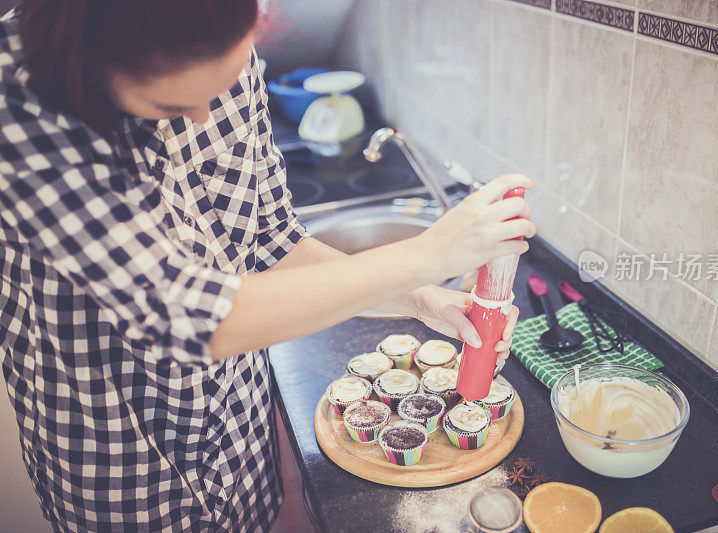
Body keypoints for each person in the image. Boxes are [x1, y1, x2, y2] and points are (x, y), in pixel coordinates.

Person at [0, 0, 535, 530]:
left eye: (219, 86)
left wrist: (419, 295)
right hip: (124, 472)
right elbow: (184, 317)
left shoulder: (229, 54)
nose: (200, 116)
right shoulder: (19, 103)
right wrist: (429, 254)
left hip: (238, 441)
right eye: (167, 103)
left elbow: (270, 238)